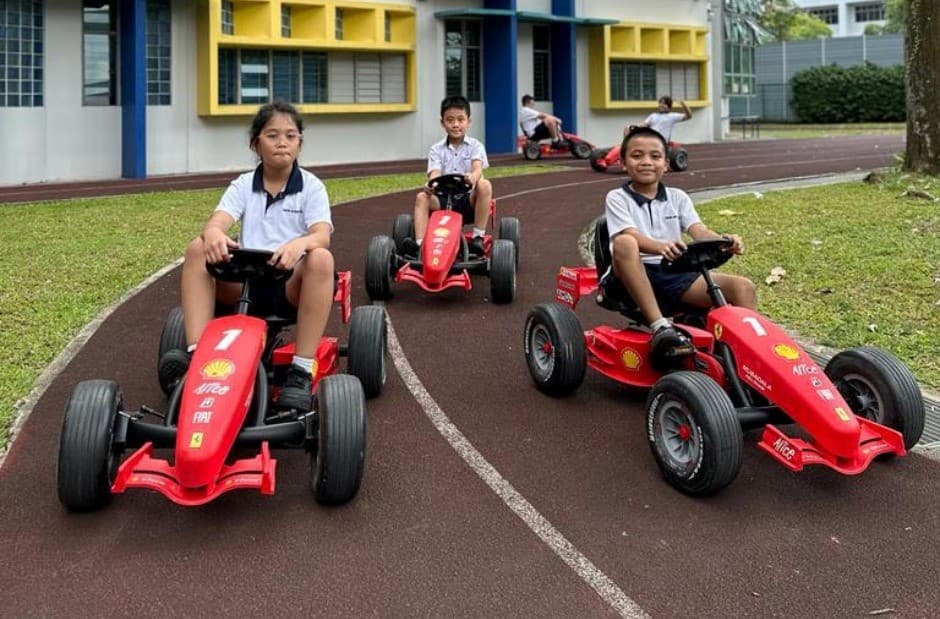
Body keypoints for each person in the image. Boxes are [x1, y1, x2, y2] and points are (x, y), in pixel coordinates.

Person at [159, 100, 334, 415]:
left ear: (300, 143)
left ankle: (300, 370)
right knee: (197, 248)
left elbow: (322, 234)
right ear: (256, 143)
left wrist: (300, 244)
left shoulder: (311, 187)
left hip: (288, 288)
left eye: (291, 136)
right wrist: (213, 233)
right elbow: (217, 222)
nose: (282, 142)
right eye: (272, 135)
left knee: (321, 257)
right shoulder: (242, 185)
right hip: (244, 288)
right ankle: (198, 356)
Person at [604, 126, 756, 365]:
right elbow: (629, 233)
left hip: (674, 274)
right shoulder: (617, 198)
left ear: (666, 164)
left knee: (743, 287)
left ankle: (750, 359)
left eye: (655, 156)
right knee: (625, 242)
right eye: (637, 156)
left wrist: (724, 242)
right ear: (623, 162)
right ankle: (660, 326)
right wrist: (659, 247)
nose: (646, 162)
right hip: (630, 275)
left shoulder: (678, 197)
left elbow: (699, 231)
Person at [402, 95, 493, 257]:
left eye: (460, 119)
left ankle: (478, 236)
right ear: (442, 122)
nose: (456, 124)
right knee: (422, 197)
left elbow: (477, 168)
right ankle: (420, 245)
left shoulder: (475, 146)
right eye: (450, 120)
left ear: (468, 121)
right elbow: (435, 173)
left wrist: (473, 177)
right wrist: (431, 184)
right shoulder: (436, 149)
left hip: (468, 202)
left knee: (484, 184)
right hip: (443, 201)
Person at [626, 96, 692, 143]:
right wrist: (635, 128)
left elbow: (689, 116)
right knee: (627, 128)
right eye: (660, 103)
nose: (661, 105)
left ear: (669, 107)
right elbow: (644, 125)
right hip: (650, 137)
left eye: (664, 103)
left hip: (660, 141)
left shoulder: (672, 116)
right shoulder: (653, 115)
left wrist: (683, 104)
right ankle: (625, 149)